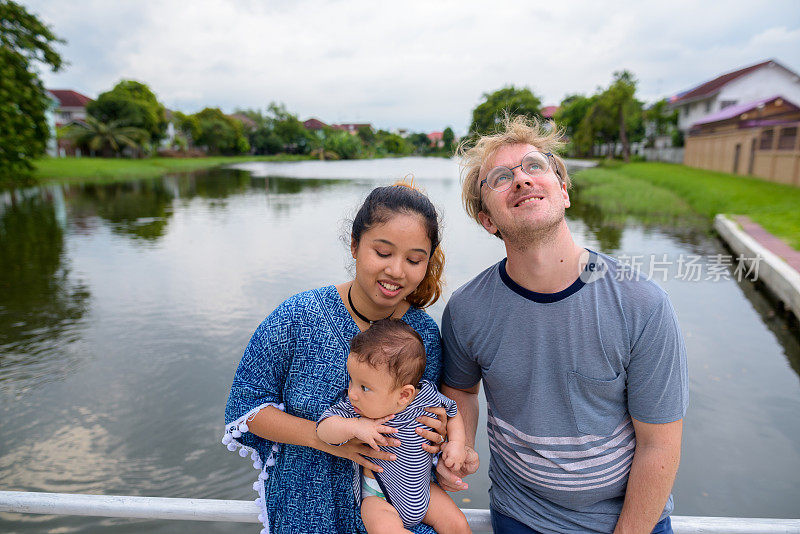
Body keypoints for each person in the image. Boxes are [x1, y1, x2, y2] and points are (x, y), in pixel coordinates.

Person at [436, 116, 688, 534]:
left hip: (630, 520)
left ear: (564, 191)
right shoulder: (467, 310)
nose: (521, 180)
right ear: (488, 221)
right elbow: (462, 389)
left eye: (535, 166)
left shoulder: (642, 303)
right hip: (522, 515)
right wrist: (459, 441)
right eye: (500, 177)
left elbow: (659, 443)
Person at [224, 183, 450, 534]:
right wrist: (324, 437)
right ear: (355, 245)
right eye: (383, 252)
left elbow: (428, 413)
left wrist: (442, 436)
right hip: (306, 513)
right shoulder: (297, 317)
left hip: (397, 517)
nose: (396, 271)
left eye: (414, 259)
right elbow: (245, 410)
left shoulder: (423, 335)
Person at [317, 319, 471, 534]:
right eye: (351, 380)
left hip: (423, 490)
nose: (352, 392)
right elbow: (323, 429)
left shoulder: (425, 395)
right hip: (379, 496)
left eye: (364, 387)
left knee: (458, 525)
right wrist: (355, 427)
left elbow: (453, 413)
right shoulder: (357, 411)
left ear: (404, 394)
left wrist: (456, 443)